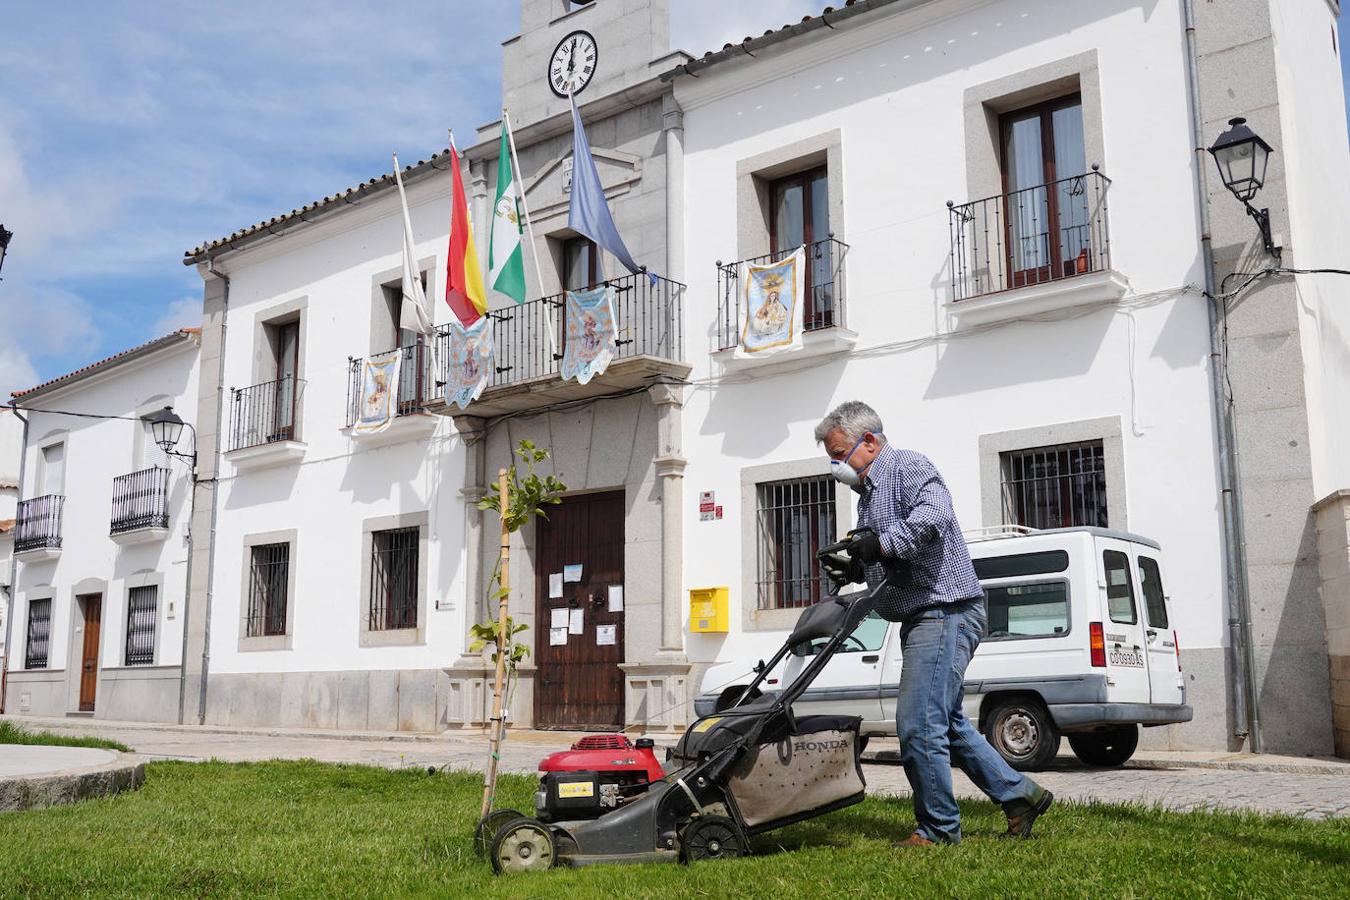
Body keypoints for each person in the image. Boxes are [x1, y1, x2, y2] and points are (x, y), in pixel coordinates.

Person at [814, 400, 1053, 846]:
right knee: (946, 722)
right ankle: (1019, 794)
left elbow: (933, 515)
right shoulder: (867, 496)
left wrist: (879, 545)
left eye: (839, 453)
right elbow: (881, 552)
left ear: (869, 441)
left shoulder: (908, 466)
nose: (835, 465)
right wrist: (853, 564)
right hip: (922, 614)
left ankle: (939, 830)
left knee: (918, 725)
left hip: (945, 610)